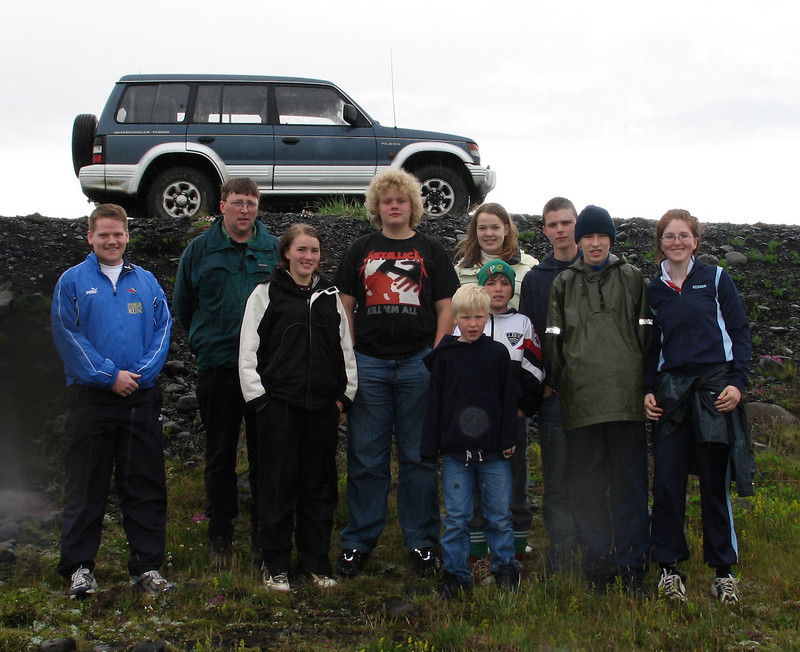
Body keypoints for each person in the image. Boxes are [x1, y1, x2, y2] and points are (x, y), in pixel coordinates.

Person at [334, 168, 460, 578]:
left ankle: (422, 542)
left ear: (412, 206)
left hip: (417, 363)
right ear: (376, 207)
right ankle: (358, 541)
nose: (393, 206)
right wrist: (350, 356)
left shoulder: (432, 250)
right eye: (386, 200)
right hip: (368, 363)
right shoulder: (359, 249)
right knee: (366, 458)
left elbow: (446, 307)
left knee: (418, 459)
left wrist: (437, 355)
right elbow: (345, 306)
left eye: (400, 200)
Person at [51, 203, 174, 598]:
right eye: (103, 233)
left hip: (140, 396)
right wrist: (109, 376)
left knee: (144, 484)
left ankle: (147, 568)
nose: (111, 240)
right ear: (90, 237)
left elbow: (162, 330)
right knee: (86, 485)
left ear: (126, 235)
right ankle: (80, 568)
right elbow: (68, 336)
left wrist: (139, 375)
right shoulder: (72, 282)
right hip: (92, 399)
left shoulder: (147, 281)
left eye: (118, 233)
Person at [239, 224, 357, 591]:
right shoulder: (265, 293)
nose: (309, 257)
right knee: (276, 487)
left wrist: (344, 396)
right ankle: (275, 565)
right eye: (302, 250)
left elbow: (345, 349)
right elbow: (247, 351)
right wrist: (260, 400)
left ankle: (315, 564)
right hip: (279, 408)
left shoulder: (330, 295)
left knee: (319, 489)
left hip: (322, 408)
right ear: (286, 252)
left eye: (315, 251)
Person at [644, 209, 753, 605]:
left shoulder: (717, 279)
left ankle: (724, 572)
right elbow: (650, 347)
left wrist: (738, 384)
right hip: (672, 393)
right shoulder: (652, 290)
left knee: (713, 486)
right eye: (669, 236)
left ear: (695, 240)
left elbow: (740, 333)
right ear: (660, 242)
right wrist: (648, 389)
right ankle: (669, 569)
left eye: (684, 235)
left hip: (714, 392)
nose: (677, 242)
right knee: (668, 484)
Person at [172, 177, 280, 564]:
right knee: (219, 453)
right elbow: (184, 305)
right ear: (222, 206)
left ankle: (263, 531)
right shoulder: (199, 251)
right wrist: (205, 342)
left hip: (264, 372)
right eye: (237, 202)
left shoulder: (273, 250)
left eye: (251, 202)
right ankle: (220, 532)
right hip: (217, 367)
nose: (245, 209)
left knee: (265, 454)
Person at [545, 205, 652, 594]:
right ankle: (599, 566)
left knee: (630, 486)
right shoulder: (563, 284)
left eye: (601, 236)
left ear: (611, 239)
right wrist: (568, 381)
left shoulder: (633, 278)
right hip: (581, 404)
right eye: (587, 236)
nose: (594, 243)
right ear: (578, 240)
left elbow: (646, 338)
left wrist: (637, 383)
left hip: (626, 402)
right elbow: (554, 343)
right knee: (587, 487)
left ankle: (633, 564)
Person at [421, 284, 521, 599]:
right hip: (455, 454)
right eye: (465, 317)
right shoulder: (444, 356)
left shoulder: (497, 353)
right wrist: (430, 444)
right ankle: (456, 576)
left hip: (493, 452)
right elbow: (434, 401)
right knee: (456, 518)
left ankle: (505, 570)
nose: (473, 323)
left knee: (499, 515)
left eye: (479, 316)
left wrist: (508, 438)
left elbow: (508, 399)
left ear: (487, 315)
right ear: (455, 318)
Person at [462, 260, 544, 583]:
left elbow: (536, 369)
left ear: (513, 288)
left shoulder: (522, 324)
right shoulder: (468, 323)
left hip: (510, 423)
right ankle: (478, 556)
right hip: (474, 426)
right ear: (481, 287)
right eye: (491, 283)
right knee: (476, 488)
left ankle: (514, 554)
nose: (497, 290)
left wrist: (523, 408)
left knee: (513, 485)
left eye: (504, 283)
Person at [518, 197, 581, 575]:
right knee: (556, 478)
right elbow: (531, 336)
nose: (560, 230)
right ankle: (561, 551)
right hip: (554, 393)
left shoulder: (594, 269)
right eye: (553, 224)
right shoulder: (537, 278)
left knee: (592, 475)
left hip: (592, 394)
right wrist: (540, 384)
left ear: (577, 224)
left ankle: (592, 547)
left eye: (566, 222)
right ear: (544, 230)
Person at [453, 202, 538, 310]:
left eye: (495, 227)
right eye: (482, 228)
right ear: (476, 231)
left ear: (506, 229)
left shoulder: (530, 267)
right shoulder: (460, 271)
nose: (489, 233)